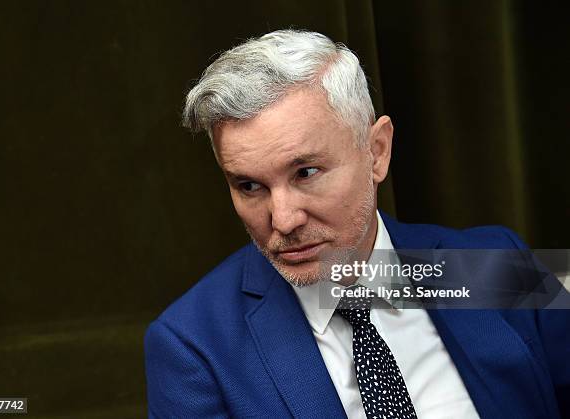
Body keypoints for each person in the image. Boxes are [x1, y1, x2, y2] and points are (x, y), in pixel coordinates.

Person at [145, 30, 569, 418]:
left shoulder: (490, 262)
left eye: (306, 173)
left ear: (377, 152)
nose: (283, 220)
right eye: (250, 186)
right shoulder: (193, 346)